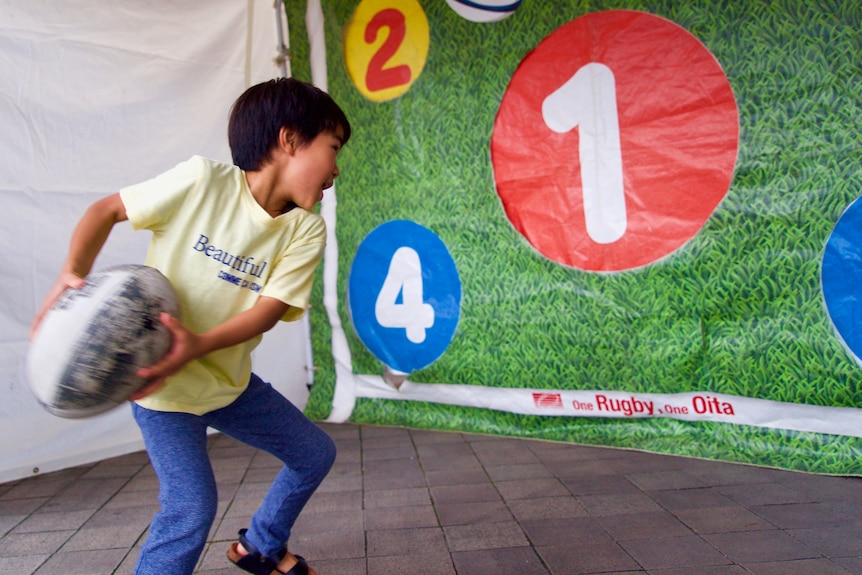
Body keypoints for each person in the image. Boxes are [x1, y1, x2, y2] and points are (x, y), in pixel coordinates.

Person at [30, 77, 351, 575]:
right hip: (162, 393)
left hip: (228, 386)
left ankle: (260, 546)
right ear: (289, 140)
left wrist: (197, 344)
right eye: (332, 149)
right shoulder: (202, 182)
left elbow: (267, 311)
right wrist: (72, 273)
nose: (335, 170)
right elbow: (106, 210)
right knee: (190, 508)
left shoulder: (305, 228)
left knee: (314, 454)